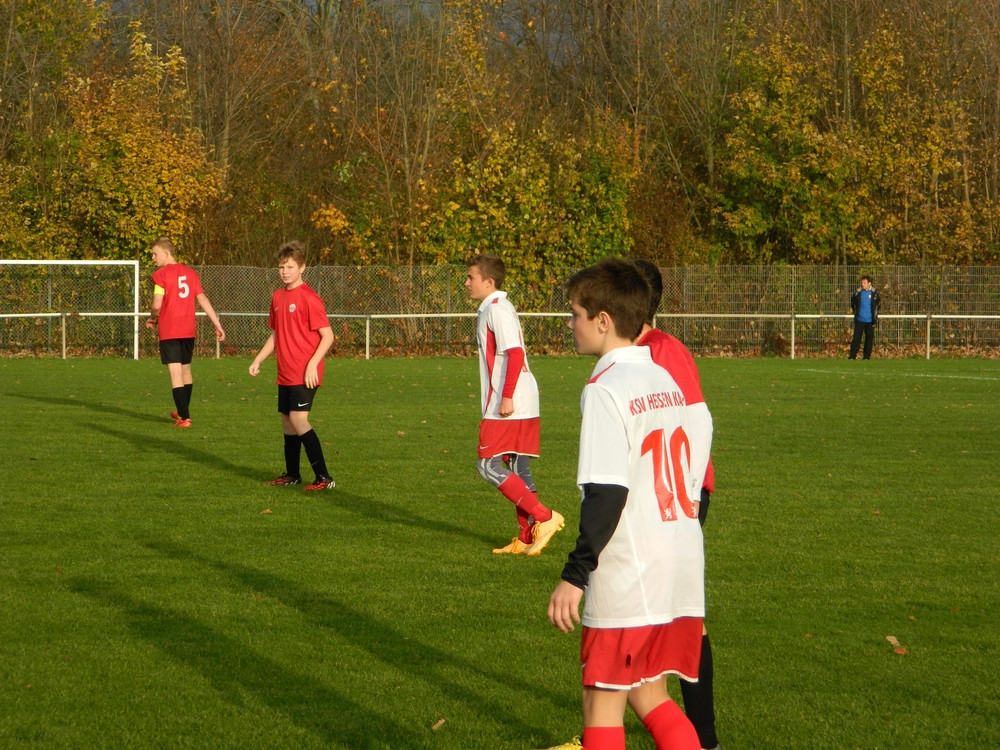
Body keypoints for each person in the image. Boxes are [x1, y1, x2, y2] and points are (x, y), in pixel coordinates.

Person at [547, 258, 712, 750]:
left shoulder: (605, 387)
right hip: (678, 563)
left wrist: (575, 575)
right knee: (652, 695)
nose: (570, 325)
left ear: (603, 320)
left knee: (602, 703)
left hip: (629, 571)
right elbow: (702, 437)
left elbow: (608, 493)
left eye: (575, 314)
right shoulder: (664, 379)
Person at [633, 259, 720, 750]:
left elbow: (697, 424)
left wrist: (683, 502)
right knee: (643, 613)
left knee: (680, 618)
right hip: (656, 499)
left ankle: (703, 739)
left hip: (677, 498)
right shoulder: (634, 351)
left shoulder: (665, 351)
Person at [465, 253, 564, 555]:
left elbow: (515, 353)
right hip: (515, 398)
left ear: (488, 281)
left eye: (471, 277)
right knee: (517, 467)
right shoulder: (493, 308)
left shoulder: (497, 309)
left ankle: (545, 517)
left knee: (487, 465)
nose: (466, 283)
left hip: (510, 401)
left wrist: (506, 395)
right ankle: (526, 536)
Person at [249, 241, 336, 491]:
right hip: (285, 371)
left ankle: (324, 477)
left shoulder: (309, 298)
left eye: (290, 266)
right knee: (287, 422)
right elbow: (276, 334)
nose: (285, 271)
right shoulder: (277, 296)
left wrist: (312, 365)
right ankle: (292, 475)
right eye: (281, 267)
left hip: (304, 371)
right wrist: (258, 359)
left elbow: (328, 336)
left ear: (302, 268)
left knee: (299, 420)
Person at [145, 237, 226, 428]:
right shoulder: (190, 273)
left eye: (155, 254)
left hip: (170, 329)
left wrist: (152, 318)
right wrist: (217, 324)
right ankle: (182, 411)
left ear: (166, 254)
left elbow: (157, 304)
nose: (153, 258)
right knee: (186, 370)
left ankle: (185, 418)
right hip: (188, 329)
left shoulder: (161, 275)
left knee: (175, 373)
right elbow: (203, 300)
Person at [849, 274, 881, 360]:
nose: (862, 284)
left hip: (870, 321)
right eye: (862, 282)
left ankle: (866, 357)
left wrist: (874, 316)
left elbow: (878, 304)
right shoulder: (858, 293)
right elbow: (853, 303)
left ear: (869, 283)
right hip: (860, 320)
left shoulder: (874, 293)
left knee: (869, 339)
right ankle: (852, 356)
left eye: (864, 282)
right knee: (856, 338)